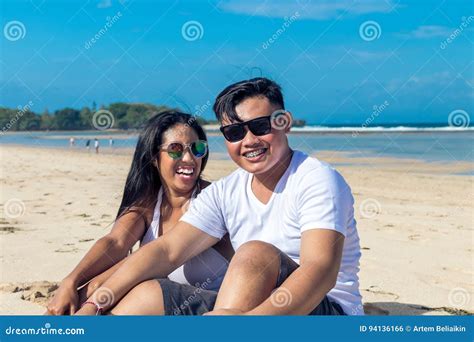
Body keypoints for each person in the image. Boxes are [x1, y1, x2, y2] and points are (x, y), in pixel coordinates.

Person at [76, 77, 362, 316]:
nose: (249, 141)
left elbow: (321, 270)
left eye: (261, 126)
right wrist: (94, 302)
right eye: (235, 132)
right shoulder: (225, 191)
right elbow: (166, 251)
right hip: (239, 310)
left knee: (254, 254)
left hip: (320, 311)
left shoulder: (317, 179)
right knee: (148, 293)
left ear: (284, 122)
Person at [47, 111, 233, 315]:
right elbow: (115, 243)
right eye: (175, 150)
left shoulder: (213, 199)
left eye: (197, 149)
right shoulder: (149, 202)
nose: (188, 158)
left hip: (210, 309)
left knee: (143, 288)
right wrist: (71, 282)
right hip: (159, 307)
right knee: (91, 289)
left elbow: (164, 254)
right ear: (154, 157)